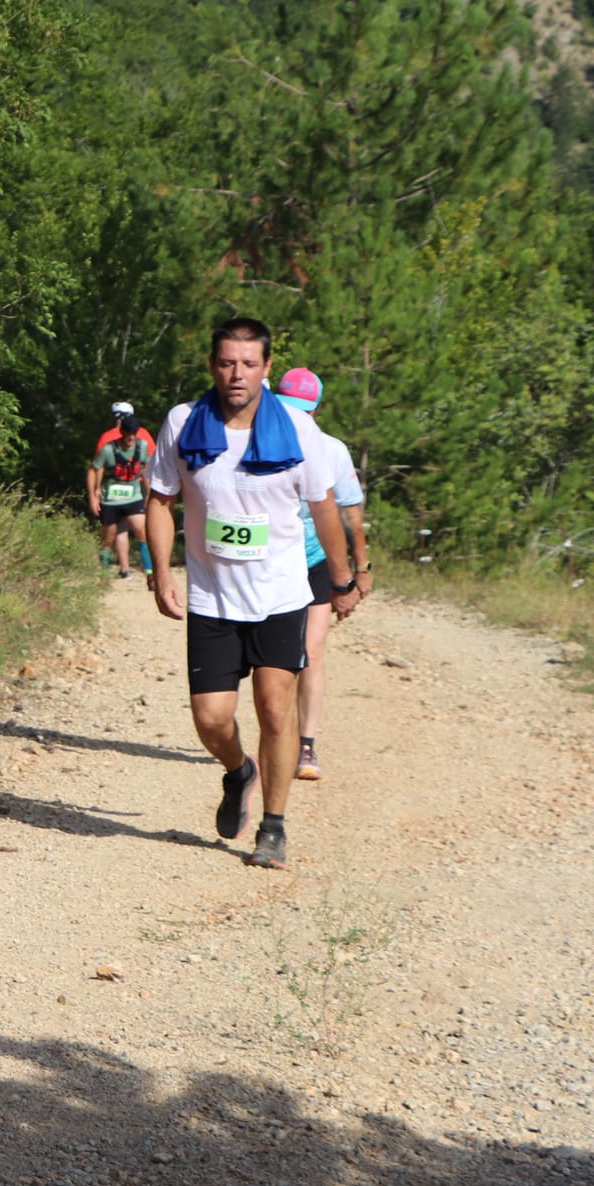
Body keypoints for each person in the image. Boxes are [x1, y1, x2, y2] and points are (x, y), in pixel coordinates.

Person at [145, 319, 357, 870]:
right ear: (212, 364)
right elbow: (160, 500)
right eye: (226, 362)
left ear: (266, 367)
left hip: (280, 594)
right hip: (212, 598)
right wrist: (161, 572)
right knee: (212, 718)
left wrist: (342, 578)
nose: (236, 374)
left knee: (274, 708)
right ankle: (240, 771)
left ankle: (274, 827)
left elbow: (325, 508)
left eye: (248, 364)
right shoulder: (183, 423)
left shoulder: (295, 427)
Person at [272, 368, 373, 782]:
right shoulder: (258, 442)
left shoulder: (331, 450)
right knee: (275, 658)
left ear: (315, 411)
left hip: (314, 560)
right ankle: (277, 735)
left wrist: (359, 570)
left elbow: (351, 512)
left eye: (302, 412)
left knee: (310, 652)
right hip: (271, 563)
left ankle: (306, 745)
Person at [87, 403, 154, 579]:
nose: (131, 438)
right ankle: (104, 573)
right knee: (109, 538)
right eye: (128, 434)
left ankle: (149, 573)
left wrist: (149, 494)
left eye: (134, 434)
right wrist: (94, 494)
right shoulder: (109, 446)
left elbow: (149, 467)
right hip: (111, 498)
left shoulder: (143, 444)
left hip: (133, 495)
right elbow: (95, 468)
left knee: (142, 531)